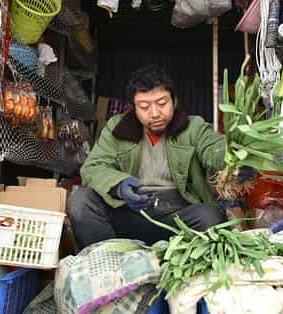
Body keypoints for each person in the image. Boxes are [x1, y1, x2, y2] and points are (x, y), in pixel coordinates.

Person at [67, 64, 251, 249]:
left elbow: (213, 148)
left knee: (210, 216)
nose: (155, 113)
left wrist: (230, 161)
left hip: (178, 216)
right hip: (129, 212)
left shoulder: (193, 127)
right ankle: (108, 262)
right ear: (133, 108)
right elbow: (93, 167)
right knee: (80, 202)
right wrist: (119, 186)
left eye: (162, 103)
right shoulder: (116, 128)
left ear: (174, 101)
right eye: (144, 106)